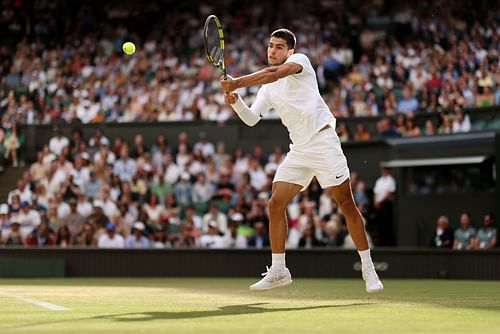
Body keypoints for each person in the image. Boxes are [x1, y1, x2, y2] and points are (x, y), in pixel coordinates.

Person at [221, 28, 382, 292]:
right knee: (275, 204)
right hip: (299, 150)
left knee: (346, 203)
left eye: (279, 47)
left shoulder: (301, 62)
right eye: (270, 46)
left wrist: (236, 82)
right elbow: (251, 119)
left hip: (323, 141)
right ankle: (278, 270)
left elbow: (273, 73)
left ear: (291, 51)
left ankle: (368, 268)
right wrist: (236, 101)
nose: (273, 51)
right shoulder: (266, 90)